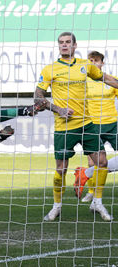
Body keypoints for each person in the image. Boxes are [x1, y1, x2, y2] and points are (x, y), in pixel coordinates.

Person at [35, 32, 118, 221]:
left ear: (74, 45)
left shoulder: (85, 65)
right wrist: (57, 109)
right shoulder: (50, 69)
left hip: (87, 125)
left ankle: (97, 201)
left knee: (102, 163)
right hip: (64, 127)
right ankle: (56, 206)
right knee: (61, 169)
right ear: (58, 46)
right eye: (61, 43)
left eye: (68, 42)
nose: (64, 45)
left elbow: (106, 78)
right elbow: (38, 96)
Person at [74, 51, 118, 202]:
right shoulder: (83, 82)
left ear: (102, 63)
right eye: (90, 60)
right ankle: (92, 193)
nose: (93, 63)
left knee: (101, 163)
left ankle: (86, 175)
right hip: (92, 125)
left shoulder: (111, 81)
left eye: (96, 60)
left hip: (112, 125)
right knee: (93, 161)